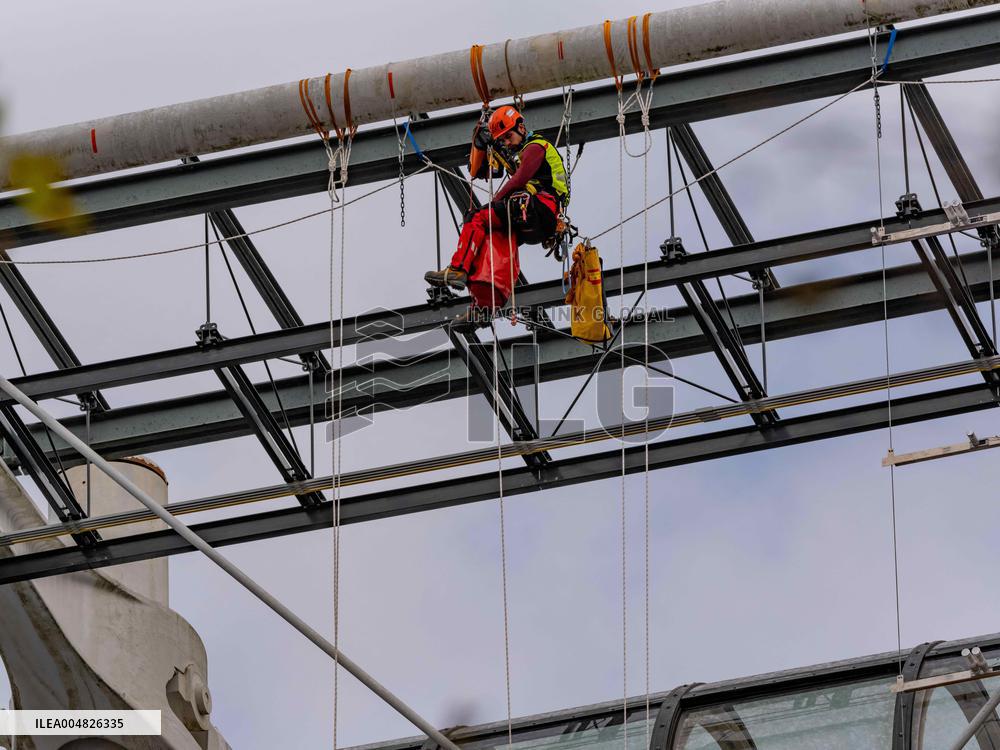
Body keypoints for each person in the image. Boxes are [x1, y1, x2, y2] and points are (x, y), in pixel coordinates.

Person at [424, 106, 569, 299]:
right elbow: (492, 171)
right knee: (496, 239)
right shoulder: (523, 152)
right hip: (539, 220)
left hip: (540, 209)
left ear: (521, 128)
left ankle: (458, 269)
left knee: (477, 217)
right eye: (503, 140)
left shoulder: (536, 147)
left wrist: (495, 201)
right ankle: (484, 305)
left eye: (508, 137)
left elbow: (519, 179)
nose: (507, 143)